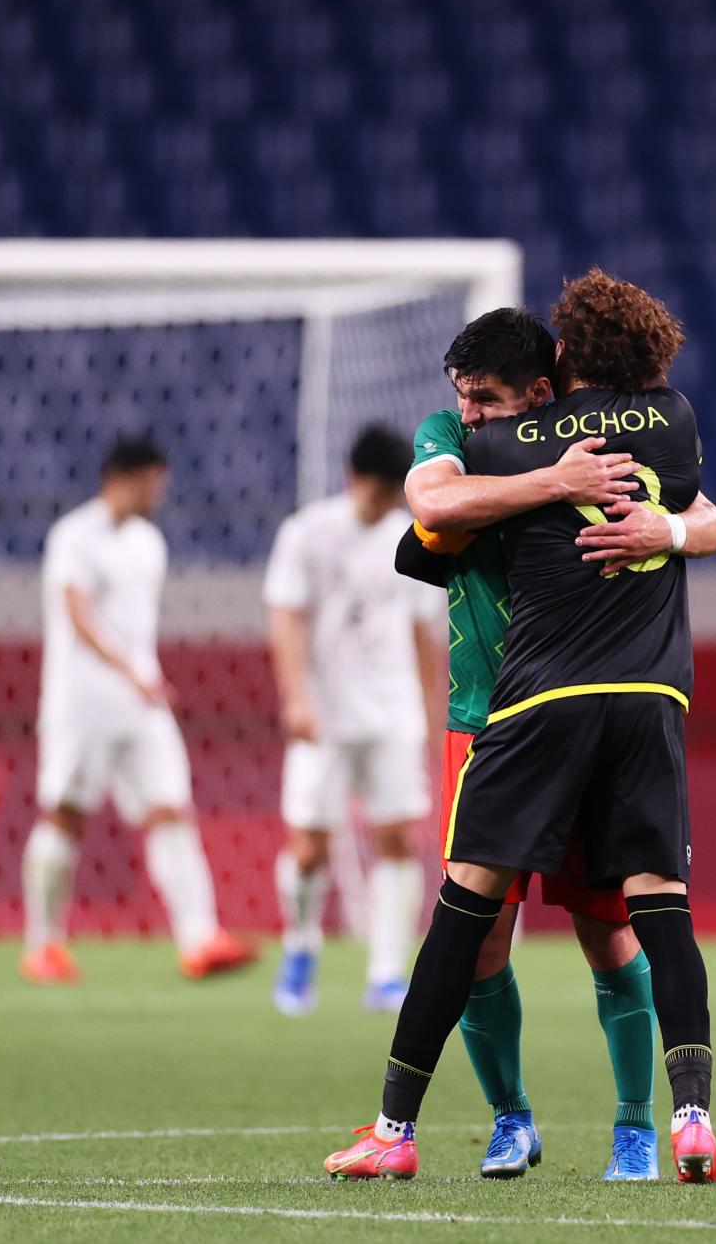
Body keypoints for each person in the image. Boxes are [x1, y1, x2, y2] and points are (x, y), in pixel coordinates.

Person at [326, 270, 716, 1184]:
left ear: (540, 390)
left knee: (606, 927)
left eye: (487, 399)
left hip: (557, 694)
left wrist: (661, 529)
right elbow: (429, 509)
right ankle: (513, 1119)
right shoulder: (461, 438)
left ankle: (633, 1125)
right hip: (489, 715)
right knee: (487, 941)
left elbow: (712, 517)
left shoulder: (537, 436)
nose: (467, 415)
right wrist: (558, 479)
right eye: (461, 397)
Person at [21, 439, 256, 984]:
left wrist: (139, 677)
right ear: (122, 479)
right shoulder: (75, 536)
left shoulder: (149, 542)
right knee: (65, 817)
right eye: (152, 483)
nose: (159, 494)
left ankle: (199, 940)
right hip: (82, 703)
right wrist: (130, 671)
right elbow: (77, 615)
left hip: (140, 702)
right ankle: (43, 945)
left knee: (171, 809)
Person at [264, 426, 447, 1014]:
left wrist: (432, 713)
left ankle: (387, 971)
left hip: (392, 712)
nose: (383, 505)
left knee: (398, 838)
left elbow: (423, 633)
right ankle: (300, 946)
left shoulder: (413, 538)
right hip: (326, 713)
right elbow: (287, 619)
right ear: (353, 478)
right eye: (377, 493)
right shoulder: (307, 533)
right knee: (310, 846)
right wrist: (295, 697)